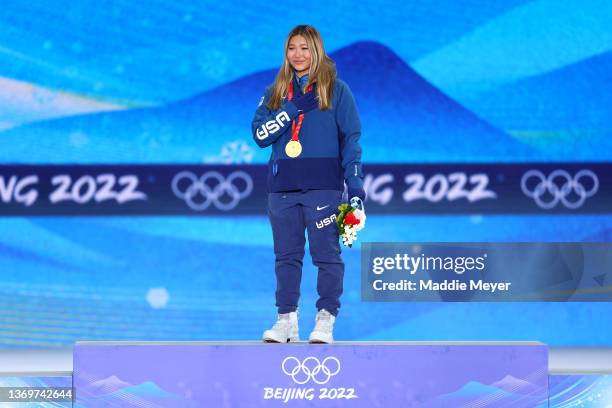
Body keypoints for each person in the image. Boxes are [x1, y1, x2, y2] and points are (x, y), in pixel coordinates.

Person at [251, 25, 364, 344]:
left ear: (316, 51)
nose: (298, 55)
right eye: (291, 48)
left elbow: (351, 141)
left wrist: (355, 188)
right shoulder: (275, 92)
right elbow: (260, 136)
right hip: (281, 189)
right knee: (286, 257)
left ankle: (325, 319)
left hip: (324, 189)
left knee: (326, 255)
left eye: (304, 48)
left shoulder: (337, 90)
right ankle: (286, 321)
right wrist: (291, 110)